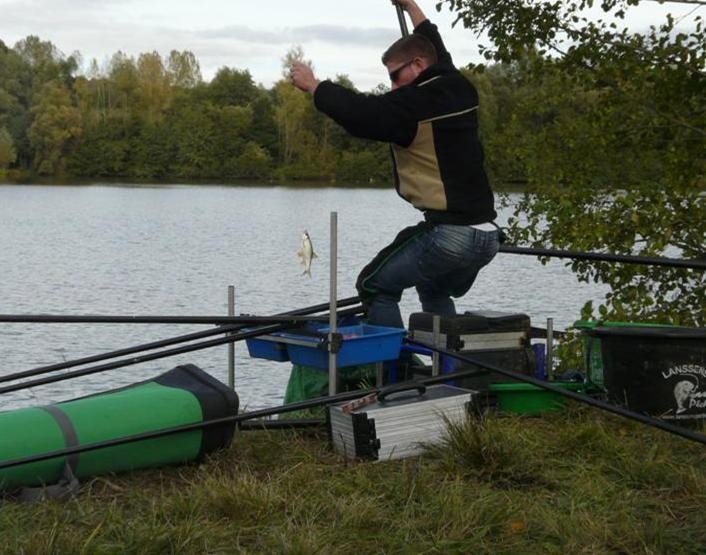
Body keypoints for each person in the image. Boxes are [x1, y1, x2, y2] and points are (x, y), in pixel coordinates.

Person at [291, 0, 499, 329]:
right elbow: (433, 43)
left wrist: (314, 86)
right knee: (432, 287)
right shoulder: (458, 85)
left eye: (395, 76)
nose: (393, 86)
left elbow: (360, 113)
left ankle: (395, 370)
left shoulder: (412, 105)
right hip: (487, 236)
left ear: (417, 65)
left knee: (375, 285)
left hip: (451, 237)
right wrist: (411, 6)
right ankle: (446, 367)